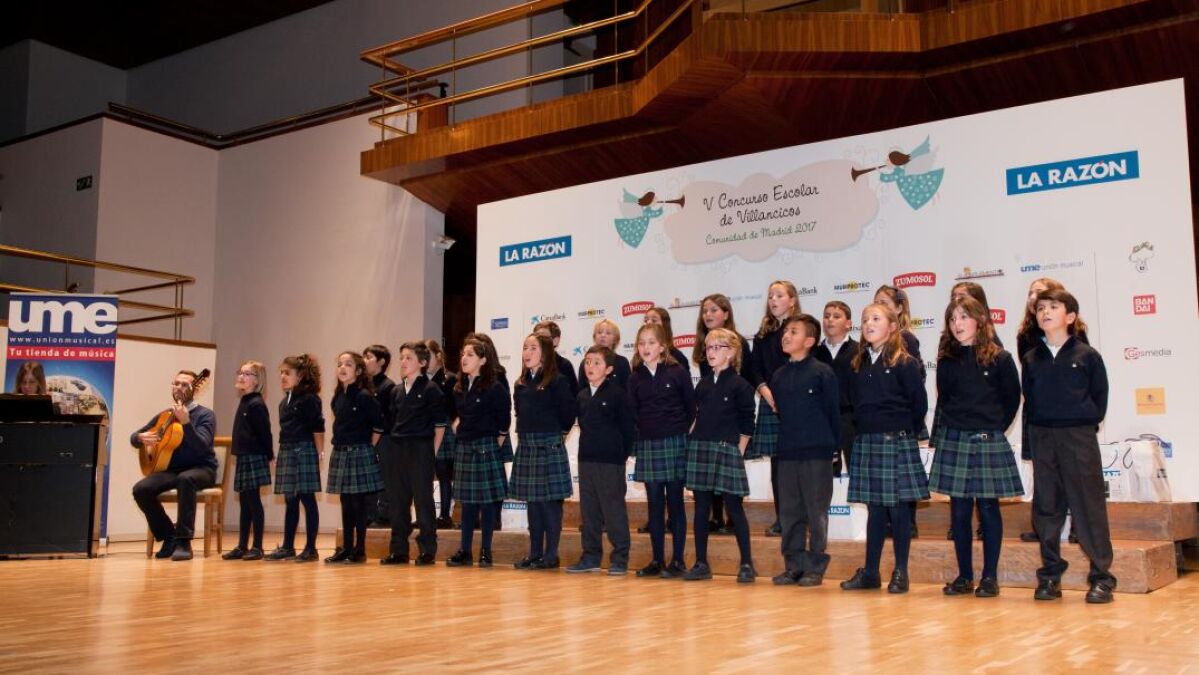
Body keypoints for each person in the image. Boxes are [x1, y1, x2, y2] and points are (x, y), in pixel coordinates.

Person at [1023, 288, 1115, 604]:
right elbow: (1030, 402)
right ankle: (1050, 575)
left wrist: (1080, 422)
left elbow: (1099, 399)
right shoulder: (1031, 358)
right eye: (1040, 308)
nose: (1045, 312)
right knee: (1046, 507)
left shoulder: (1087, 356)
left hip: (1077, 437)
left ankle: (1102, 577)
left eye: (1053, 307)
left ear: (1071, 316)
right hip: (1043, 437)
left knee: (1088, 506)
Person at [929, 297, 1022, 597]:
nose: (957, 324)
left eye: (963, 317)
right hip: (955, 439)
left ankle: (990, 577)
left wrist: (991, 428)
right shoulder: (947, 360)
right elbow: (945, 400)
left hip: (986, 439)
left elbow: (1011, 400)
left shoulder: (1000, 358)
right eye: (952, 318)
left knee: (988, 508)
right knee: (958, 512)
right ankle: (964, 576)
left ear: (980, 321)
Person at [841, 304, 929, 594]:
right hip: (867, 440)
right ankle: (870, 572)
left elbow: (918, 405)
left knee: (899, 509)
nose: (868, 323)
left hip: (895, 440)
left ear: (892, 327)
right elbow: (854, 402)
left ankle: (901, 571)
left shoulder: (905, 363)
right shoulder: (858, 364)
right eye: (865, 319)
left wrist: (900, 430)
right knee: (875, 509)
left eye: (876, 319)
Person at [1015, 277, 1088, 543]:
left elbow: (1084, 368)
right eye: (1031, 293)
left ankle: (1080, 526)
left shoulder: (1075, 331)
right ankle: (1043, 528)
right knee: (1043, 473)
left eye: (1041, 293)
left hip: (1069, 412)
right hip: (1039, 410)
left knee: (1073, 472)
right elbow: (1029, 372)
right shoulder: (1025, 333)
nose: (1034, 298)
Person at [770, 315, 840, 588]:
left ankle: (815, 566)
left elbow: (832, 412)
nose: (786, 336)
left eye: (794, 332)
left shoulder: (822, 372)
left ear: (809, 341)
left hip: (817, 452)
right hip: (788, 452)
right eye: (785, 331)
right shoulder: (778, 375)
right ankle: (794, 565)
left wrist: (834, 448)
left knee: (816, 511)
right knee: (789, 512)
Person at [684, 328, 756, 583]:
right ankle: (701, 562)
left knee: (734, 507)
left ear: (732, 352)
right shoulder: (703, 384)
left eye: (717, 347)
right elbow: (696, 416)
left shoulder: (740, 385)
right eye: (708, 347)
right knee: (701, 507)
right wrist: (690, 441)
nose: (711, 352)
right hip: (701, 447)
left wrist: (739, 451)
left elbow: (747, 423)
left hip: (727, 449)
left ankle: (747, 563)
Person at [628, 322, 695, 579]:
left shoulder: (677, 372)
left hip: (675, 442)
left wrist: (678, 433)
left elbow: (690, 409)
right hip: (649, 444)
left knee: (675, 502)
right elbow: (633, 413)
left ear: (663, 346)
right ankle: (657, 559)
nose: (646, 347)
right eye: (641, 343)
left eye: (651, 342)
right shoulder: (635, 378)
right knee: (654, 504)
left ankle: (678, 560)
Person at [130, 370, 217, 561]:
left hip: (202, 468)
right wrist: (139, 438)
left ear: (196, 389)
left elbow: (202, 447)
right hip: (172, 470)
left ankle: (184, 541)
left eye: (184, 385)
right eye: (176, 383)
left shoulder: (205, 415)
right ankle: (169, 536)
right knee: (141, 489)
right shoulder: (166, 415)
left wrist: (186, 423)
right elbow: (135, 437)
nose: (178, 387)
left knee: (186, 479)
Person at [510, 333, 577, 570]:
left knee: (550, 504)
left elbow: (568, 415)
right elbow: (519, 413)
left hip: (548, 444)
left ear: (545, 353)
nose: (527, 353)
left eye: (533, 348)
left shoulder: (557, 381)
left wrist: (555, 436)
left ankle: (551, 555)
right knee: (533, 503)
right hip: (527, 445)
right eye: (525, 347)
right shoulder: (520, 383)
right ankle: (535, 553)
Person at [567, 346, 635, 575]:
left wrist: (619, 456)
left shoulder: (617, 394)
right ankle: (590, 557)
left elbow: (628, 430)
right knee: (589, 512)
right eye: (588, 362)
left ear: (608, 369)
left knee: (613, 510)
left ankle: (620, 558)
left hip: (610, 462)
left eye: (597, 362)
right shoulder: (582, 396)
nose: (591, 367)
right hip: (586, 460)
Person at [380, 341, 446, 566]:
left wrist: (432, 452)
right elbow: (392, 422)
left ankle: (427, 549)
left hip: (421, 448)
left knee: (423, 500)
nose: (403, 362)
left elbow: (440, 425)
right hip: (397, 448)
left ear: (423, 362)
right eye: (401, 358)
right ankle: (399, 550)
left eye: (408, 358)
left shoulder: (430, 389)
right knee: (398, 501)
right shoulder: (396, 391)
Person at [746, 280, 803, 537]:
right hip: (770, 401)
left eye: (779, 295)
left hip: (797, 403)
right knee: (778, 467)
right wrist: (766, 392)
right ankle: (783, 518)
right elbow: (754, 367)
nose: (773, 300)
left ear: (792, 300)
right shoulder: (763, 334)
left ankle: (801, 517)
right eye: (770, 296)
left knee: (798, 464)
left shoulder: (802, 329)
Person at [692, 293, 752, 535]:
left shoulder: (738, 344)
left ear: (726, 314)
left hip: (731, 423)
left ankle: (732, 519)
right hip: (708, 428)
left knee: (730, 484)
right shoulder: (704, 348)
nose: (708, 314)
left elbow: (744, 377)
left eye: (714, 310)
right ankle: (715, 517)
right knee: (708, 477)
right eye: (705, 310)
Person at [447, 338, 510, 567]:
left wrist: (493, 445)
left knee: (487, 503)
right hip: (465, 447)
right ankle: (465, 550)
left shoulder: (494, 387)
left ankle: (486, 551)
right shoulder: (459, 387)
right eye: (463, 354)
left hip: (486, 447)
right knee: (466, 503)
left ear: (483, 360)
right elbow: (458, 416)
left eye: (470, 355)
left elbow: (503, 423)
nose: (464, 358)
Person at [874, 283, 927, 537]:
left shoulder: (907, 339)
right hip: (880, 421)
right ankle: (886, 522)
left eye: (884, 303)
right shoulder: (872, 343)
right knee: (884, 475)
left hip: (902, 418)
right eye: (876, 303)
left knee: (903, 474)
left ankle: (908, 523)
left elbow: (915, 381)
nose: (879, 308)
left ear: (898, 309)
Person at [324, 352, 385, 564]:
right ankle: (347, 547)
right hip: (341, 451)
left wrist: (367, 447)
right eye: (340, 364)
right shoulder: (338, 397)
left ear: (358, 371)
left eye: (348, 364)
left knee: (358, 503)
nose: (342, 367)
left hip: (359, 451)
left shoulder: (364, 396)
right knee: (346, 501)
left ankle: (360, 550)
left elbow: (379, 426)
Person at [265, 354, 325, 562]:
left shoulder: (310, 399)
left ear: (300, 376)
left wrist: (320, 451)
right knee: (290, 499)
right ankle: (288, 546)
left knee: (307, 499)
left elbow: (318, 427)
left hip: (304, 448)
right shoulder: (284, 402)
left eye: (287, 373)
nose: (282, 376)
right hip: (287, 449)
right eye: (281, 373)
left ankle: (311, 548)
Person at [223, 361, 273, 561]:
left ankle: (257, 546)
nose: (241, 377)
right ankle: (242, 545)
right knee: (244, 502)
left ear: (257, 380)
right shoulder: (245, 400)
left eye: (247, 374)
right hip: (244, 456)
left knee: (253, 501)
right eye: (240, 373)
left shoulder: (256, 403)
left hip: (254, 455)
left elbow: (265, 433)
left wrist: (269, 455)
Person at [813, 301, 857, 478]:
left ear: (848, 324)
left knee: (857, 469)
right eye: (826, 316)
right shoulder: (814, 353)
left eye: (836, 316)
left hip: (851, 417)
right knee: (825, 474)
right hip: (822, 419)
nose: (830, 320)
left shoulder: (860, 351)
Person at [427, 339, 460, 530]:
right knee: (424, 475)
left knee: (443, 473)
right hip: (425, 429)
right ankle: (426, 515)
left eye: (428, 355)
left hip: (444, 428)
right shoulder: (420, 380)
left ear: (438, 356)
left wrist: (454, 423)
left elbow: (456, 407)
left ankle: (445, 515)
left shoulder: (450, 378)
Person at [363, 345, 395, 528]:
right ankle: (370, 514)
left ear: (381, 362)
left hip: (385, 438)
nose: (364, 361)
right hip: (367, 437)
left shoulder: (388, 386)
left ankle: (385, 515)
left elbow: (388, 417)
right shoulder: (364, 386)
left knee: (384, 476)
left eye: (368, 357)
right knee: (368, 477)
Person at [577, 318, 631, 388]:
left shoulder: (622, 362)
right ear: (594, 337)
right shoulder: (586, 362)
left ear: (615, 339)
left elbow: (628, 389)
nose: (603, 335)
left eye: (608, 333)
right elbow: (581, 389)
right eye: (599, 332)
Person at [533, 320, 580, 396]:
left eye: (543, 338)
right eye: (536, 337)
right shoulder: (530, 364)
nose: (538, 341)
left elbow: (573, 396)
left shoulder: (564, 365)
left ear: (555, 341)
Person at [643, 307, 691, 375]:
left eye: (654, 320)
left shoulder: (677, 357)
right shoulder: (640, 357)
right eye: (646, 320)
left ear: (665, 325)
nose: (648, 323)